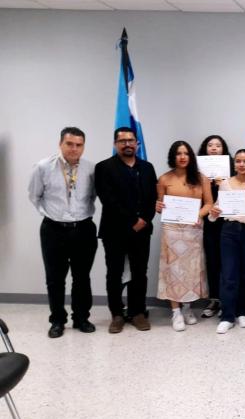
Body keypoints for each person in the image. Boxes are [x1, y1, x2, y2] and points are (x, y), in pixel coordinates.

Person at [28, 127, 98, 338]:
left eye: (79, 145)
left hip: (83, 228)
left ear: (83, 146)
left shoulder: (91, 169)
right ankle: (57, 320)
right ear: (60, 143)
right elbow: (34, 195)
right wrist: (53, 215)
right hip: (53, 230)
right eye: (69, 144)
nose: (74, 149)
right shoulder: (43, 167)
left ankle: (81, 318)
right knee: (55, 279)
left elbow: (92, 196)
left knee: (82, 277)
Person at [95, 127, 157, 334]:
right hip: (115, 230)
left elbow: (152, 198)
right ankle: (117, 314)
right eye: (122, 141)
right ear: (115, 144)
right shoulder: (104, 167)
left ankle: (137, 312)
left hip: (142, 230)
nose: (127, 144)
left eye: (131, 140)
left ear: (137, 144)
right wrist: (133, 220)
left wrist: (144, 219)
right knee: (114, 273)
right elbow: (108, 199)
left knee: (140, 273)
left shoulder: (147, 167)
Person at [155, 141, 213, 331]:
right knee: (173, 270)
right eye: (178, 153)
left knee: (191, 270)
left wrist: (198, 215)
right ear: (173, 156)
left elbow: (209, 204)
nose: (182, 157)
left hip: (193, 230)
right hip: (171, 231)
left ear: (191, 156)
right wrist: (157, 207)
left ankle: (187, 308)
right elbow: (160, 206)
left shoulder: (201, 178)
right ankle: (176, 312)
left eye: (186, 153)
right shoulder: (164, 179)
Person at [209, 149, 245, 334]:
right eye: (239, 161)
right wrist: (214, 213)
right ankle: (227, 316)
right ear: (234, 164)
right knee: (229, 274)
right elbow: (216, 209)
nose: (242, 164)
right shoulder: (225, 184)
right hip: (229, 232)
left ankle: (243, 311)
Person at [197, 135, 231, 319]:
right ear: (205, 149)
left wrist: (222, 185)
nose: (214, 148)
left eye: (218, 145)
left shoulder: (232, 172)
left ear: (224, 150)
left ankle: (228, 298)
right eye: (210, 145)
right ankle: (215, 299)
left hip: (228, 223)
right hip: (208, 223)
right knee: (212, 260)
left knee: (229, 261)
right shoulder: (197, 174)